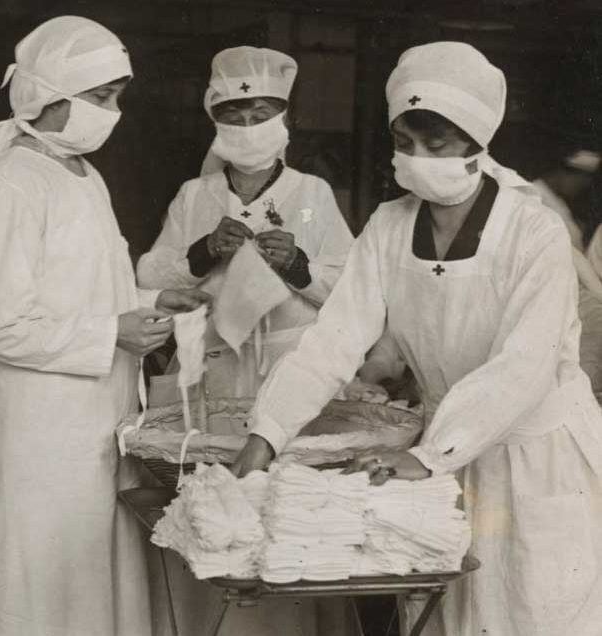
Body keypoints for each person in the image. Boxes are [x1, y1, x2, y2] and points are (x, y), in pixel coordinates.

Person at [233, 42, 602, 636]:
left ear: (477, 144)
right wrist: (267, 433)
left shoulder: (532, 231)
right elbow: (333, 339)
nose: (417, 160)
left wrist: (430, 455)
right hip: (443, 455)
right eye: (405, 144)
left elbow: (524, 365)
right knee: (451, 616)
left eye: (437, 145)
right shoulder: (388, 226)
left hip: (533, 456)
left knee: (534, 610)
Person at [0, 17, 209, 636]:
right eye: (100, 97)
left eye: (117, 97)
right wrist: (111, 333)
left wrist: (151, 296)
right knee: (35, 584)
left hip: (91, 420)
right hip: (36, 432)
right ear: (47, 96)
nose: (112, 113)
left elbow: (79, 290)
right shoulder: (14, 183)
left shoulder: (82, 175)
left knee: (88, 580)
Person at [136, 46, 354, 402]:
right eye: (235, 119)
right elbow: (149, 278)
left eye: (260, 116)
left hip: (292, 363)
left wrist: (297, 265)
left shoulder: (313, 192)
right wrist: (203, 253)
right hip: (213, 362)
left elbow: (349, 288)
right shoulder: (194, 195)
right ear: (217, 124)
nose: (248, 130)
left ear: (282, 119)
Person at [533, 151, 602, 392]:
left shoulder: (558, 205)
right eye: (580, 180)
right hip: (574, 302)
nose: (581, 189)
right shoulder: (531, 199)